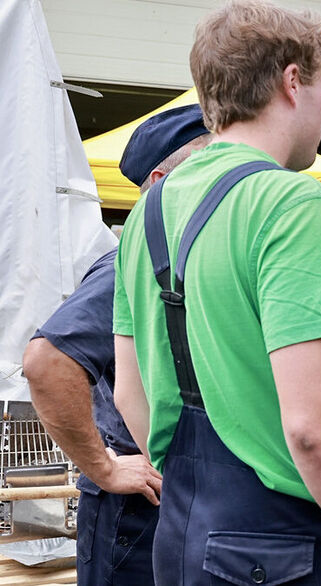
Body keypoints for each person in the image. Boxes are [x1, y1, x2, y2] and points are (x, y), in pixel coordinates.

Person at [111, 2, 321, 584]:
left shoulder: (152, 210)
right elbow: (313, 427)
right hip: (286, 547)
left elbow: (130, 394)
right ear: (293, 82)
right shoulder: (291, 202)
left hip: (184, 531)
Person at [21, 104, 208, 585]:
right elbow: (48, 360)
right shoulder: (135, 260)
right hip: (137, 510)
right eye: (207, 160)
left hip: (185, 494)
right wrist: (103, 468)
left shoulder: (202, 255)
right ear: (162, 177)